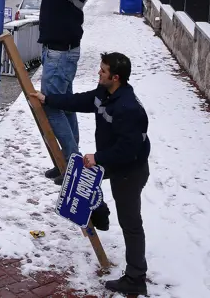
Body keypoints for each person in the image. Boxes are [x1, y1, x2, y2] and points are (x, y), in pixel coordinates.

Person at [30, 52, 151, 296]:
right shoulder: (104, 93)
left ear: (116, 77)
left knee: (131, 223)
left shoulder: (128, 108)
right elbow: (81, 101)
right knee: (78, 177)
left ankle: (136, 277)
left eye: (103, 71)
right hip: (113, 161)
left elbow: (128, 150)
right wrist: (48, 99)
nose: (99, 73)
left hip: (129, 170)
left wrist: (98, 158)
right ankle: (100, 213)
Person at [22, 0, 92, 184]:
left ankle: (72, 165)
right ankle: (68, 160)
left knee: (52, 106)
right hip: (55, 49)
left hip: (62, 51)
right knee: (65, 106)